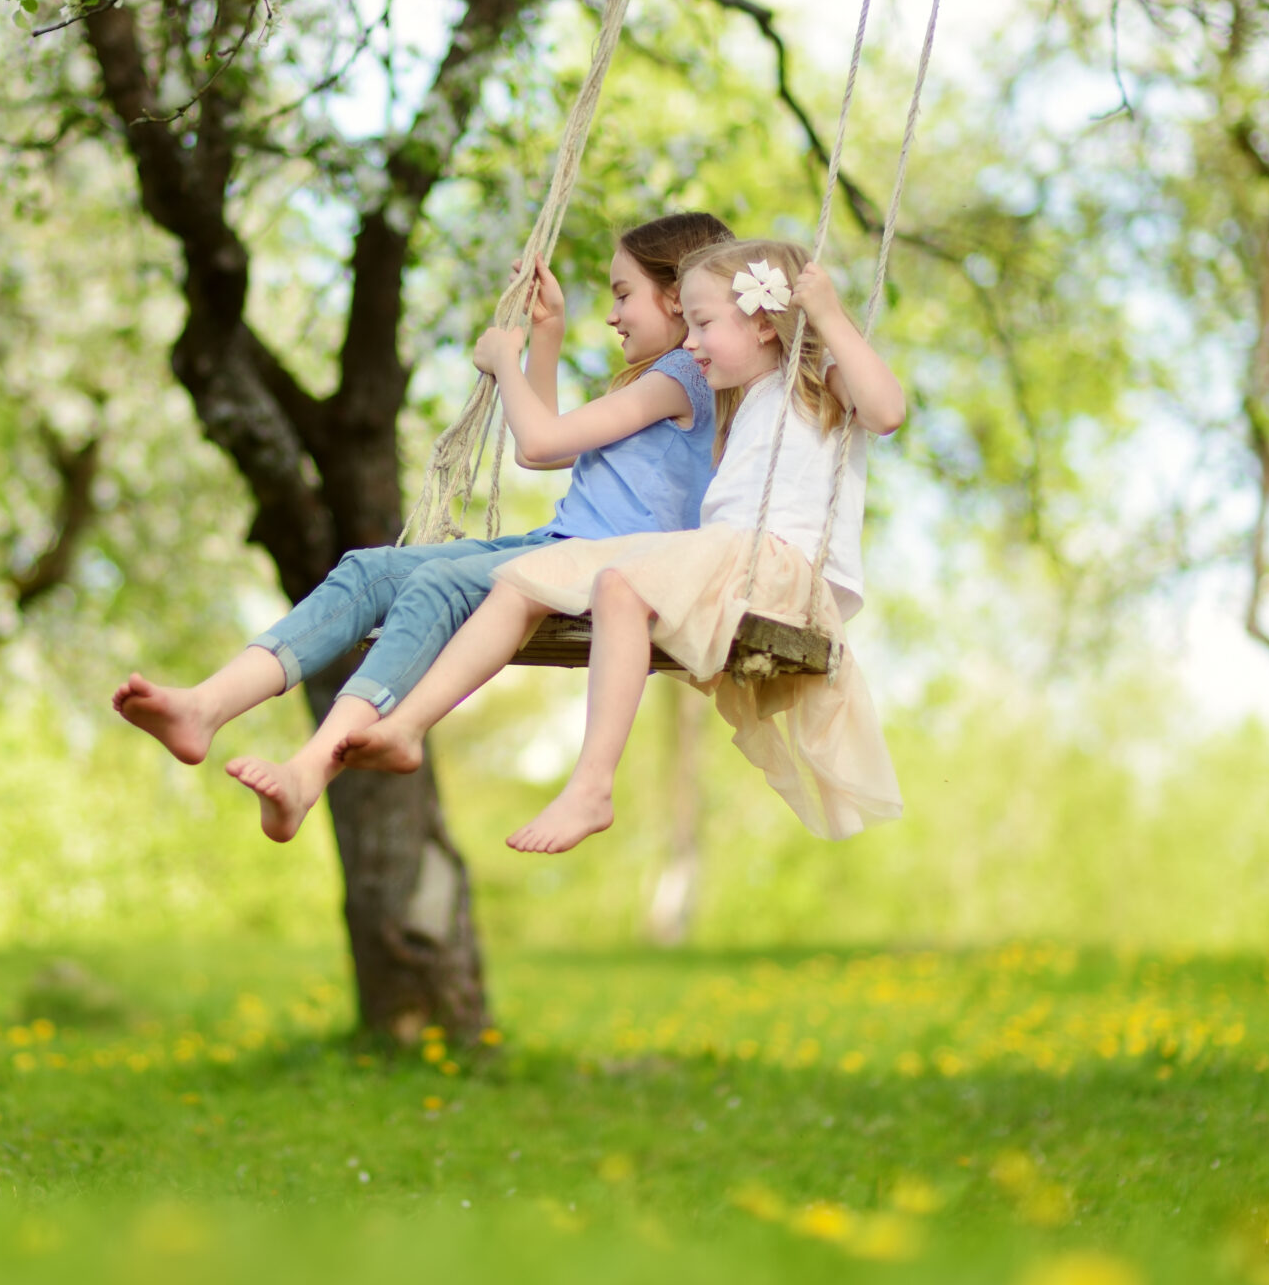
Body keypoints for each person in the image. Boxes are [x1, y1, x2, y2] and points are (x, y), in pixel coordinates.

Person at [112, 212, 736, 841]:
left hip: (598, 566)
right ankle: (206, 705)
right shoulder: (667, 379)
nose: (614, 314)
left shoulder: (684, 374)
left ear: (679, 298)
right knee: (367, 570)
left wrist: (505, 362)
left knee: (434, 583)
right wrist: (547, 334)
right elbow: (542, 447)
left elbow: (542, 442)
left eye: (623, 293)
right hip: (558, 548)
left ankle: (309, 770)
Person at [337, 236, 906, 851]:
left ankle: (591, 787)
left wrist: (827, 317)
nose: (688, 343)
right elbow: (553, 445)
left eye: (703, 324)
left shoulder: (819, 382)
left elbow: (888, 410)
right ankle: (409, 726)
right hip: (719, 556)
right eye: (686, 323)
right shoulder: (741, 403)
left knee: (621, 584)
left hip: (774, 570)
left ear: (765, 323)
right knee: (527, 575)